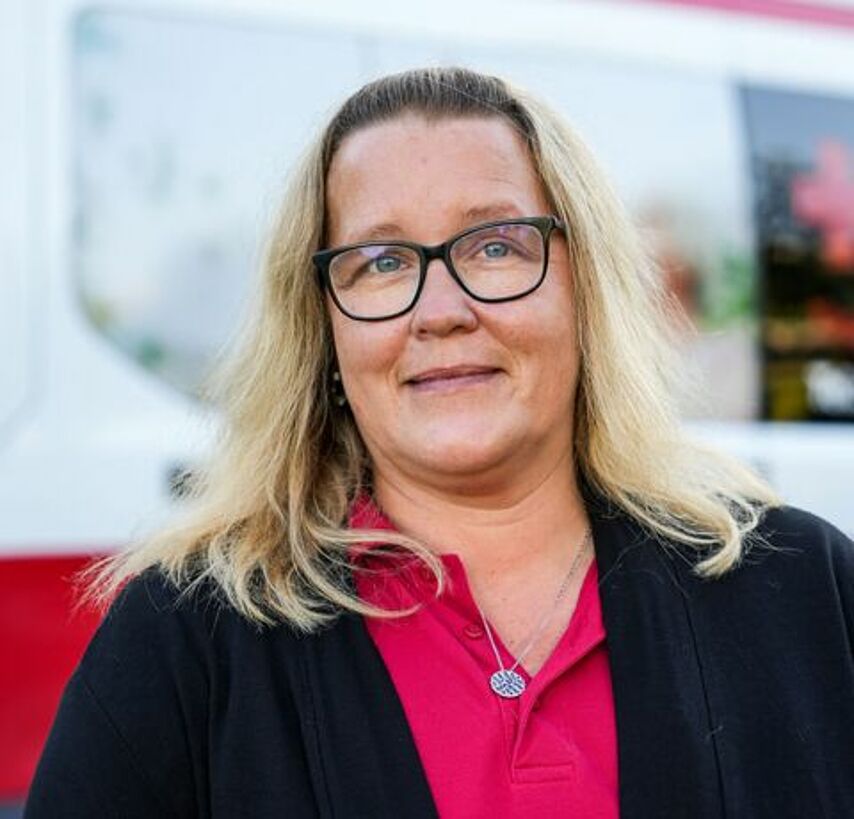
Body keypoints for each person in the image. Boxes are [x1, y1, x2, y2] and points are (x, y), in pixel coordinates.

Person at [26, 67, 853, 818]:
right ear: (324, 328)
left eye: (495, 247)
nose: (441, 311)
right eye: (381, 262)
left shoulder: (805, 591)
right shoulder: (185, 642)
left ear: (586, 290)